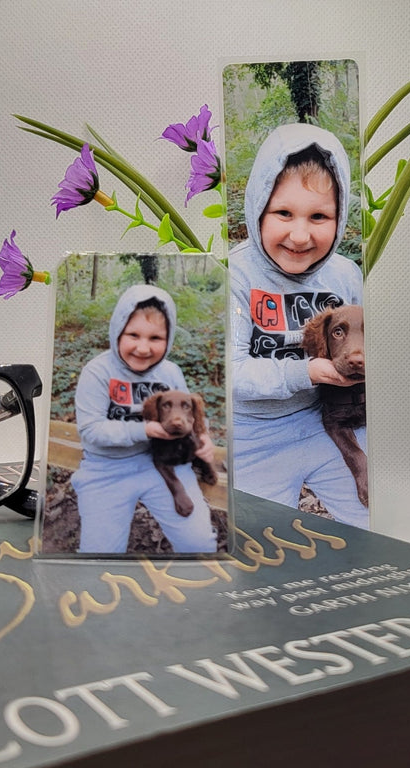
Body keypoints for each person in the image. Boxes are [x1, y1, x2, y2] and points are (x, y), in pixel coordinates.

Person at [229, 122, 368, 528]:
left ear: (340, 219)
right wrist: (305, 371)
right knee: (260, 543)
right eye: (284, 213)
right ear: (258, 209)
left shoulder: (345, 276)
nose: (301, 234)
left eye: (320, 216)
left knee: (374, 522)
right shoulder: (235, 276)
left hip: (324, 424)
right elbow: (233, 372)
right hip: (252, 437)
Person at [71, 284, 217, 553]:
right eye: (133, 335)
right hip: (106, 469)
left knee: (199, 544)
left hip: (164, 464)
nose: (142, 348)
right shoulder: (98, 372)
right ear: (117, 332)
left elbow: (190, 415)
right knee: (99, 553)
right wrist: (145, 429)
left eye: (155, 338)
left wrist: (204, 437)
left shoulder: (170, 373)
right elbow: (92, 430)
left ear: (169, 338)